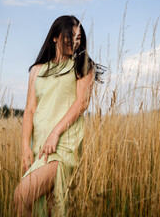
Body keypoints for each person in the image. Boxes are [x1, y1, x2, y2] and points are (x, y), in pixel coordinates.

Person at [13, 15, 103, 216]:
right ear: (55, 37)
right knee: (50, 209)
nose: (75, 41)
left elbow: (81, 103)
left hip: (63, 147)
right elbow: (29, 109)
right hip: (41, 147)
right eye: (70, 35)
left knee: (20, 196)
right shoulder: (37, 71)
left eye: (79, 37)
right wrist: (24, 145)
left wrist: (55, 133)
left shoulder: (82, 65)